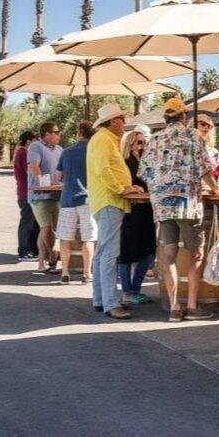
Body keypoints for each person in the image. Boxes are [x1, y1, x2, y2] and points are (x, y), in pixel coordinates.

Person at [141, 97, 219, 322]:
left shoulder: (154, 140)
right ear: (183, 116)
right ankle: (193, 307)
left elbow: (145, 172)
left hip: (163, 205)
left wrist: (158, 189)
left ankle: (175, 307)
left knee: (169, 256)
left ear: (165, 117)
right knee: (196, 254)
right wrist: (213, 188)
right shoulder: (192, 136)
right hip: (188, 204)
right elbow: (205, 168)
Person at [87, 103, 142, 320]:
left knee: (102, 253)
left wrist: (126, 187)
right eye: (123, 119)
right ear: (114, 121)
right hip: (110, 200)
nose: (125, 124)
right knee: (109, 253)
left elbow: (106, 169)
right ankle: (110, 302)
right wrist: (122, 188)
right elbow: (104, 169)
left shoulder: (103, 139)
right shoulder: (103, 139)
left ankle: (101, 299)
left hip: (106, 200)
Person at [118, 128, 156, 305]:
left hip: (147, 211)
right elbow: (126, 184)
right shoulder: (126, 163)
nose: (143, 146)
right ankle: (127, 291)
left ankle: (134, 290)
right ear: (130, 144)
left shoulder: (145, 162)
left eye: (144, 142)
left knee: (148, 253)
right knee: (127, 252)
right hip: (131, 211)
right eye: (139, 142)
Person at [55, 121, 96, 285]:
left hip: (67, 199)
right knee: (88, 238)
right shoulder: (94, 152)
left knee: (65, 238)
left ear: (79, 133)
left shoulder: (66, 152)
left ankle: (65, 273)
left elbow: (58, 176)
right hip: (88, 199)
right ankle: (87, 273)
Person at [27, 121, 63, 274]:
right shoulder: (36, 146)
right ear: (47, 134)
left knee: (55, 229)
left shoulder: (60, 150)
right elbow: (33, 165)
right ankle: (43, 261)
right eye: (56, 132)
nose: (58, 135)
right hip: (40, 195)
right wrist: (43, 181)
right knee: (45, 228)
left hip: (56, 195)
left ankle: (52, 257)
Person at [13, 131, 39, 260]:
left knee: (33, 223)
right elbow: (29, 171)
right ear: (28, 141)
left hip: (25, 192)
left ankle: (31, 249)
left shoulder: (20, 152)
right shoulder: (24, 153)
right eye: (35, 140)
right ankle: (23, 251)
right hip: (26, 193)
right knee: (27, 223)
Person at [194, 113, 219, 178]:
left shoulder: (214, 152)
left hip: (211, 186)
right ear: (194, 126)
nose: (206, 127)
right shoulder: (187, 148)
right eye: (203, 124)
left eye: (209, 126)